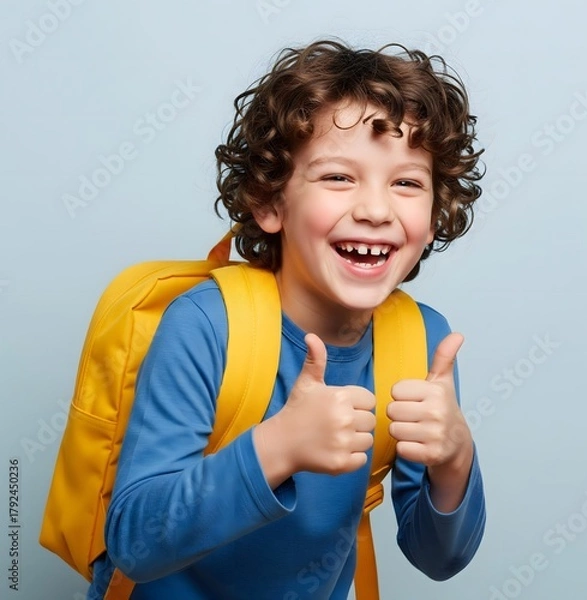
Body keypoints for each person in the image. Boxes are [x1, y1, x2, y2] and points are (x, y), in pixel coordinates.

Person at [87, 39, 486, 599]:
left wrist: (455, 459)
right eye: (338, 178)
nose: (375, 209)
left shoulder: (425, 344)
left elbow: (437, 558)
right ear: (270, 202)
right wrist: (277, 448)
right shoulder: (205, 326)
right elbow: (134, 541)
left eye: (407, 183)